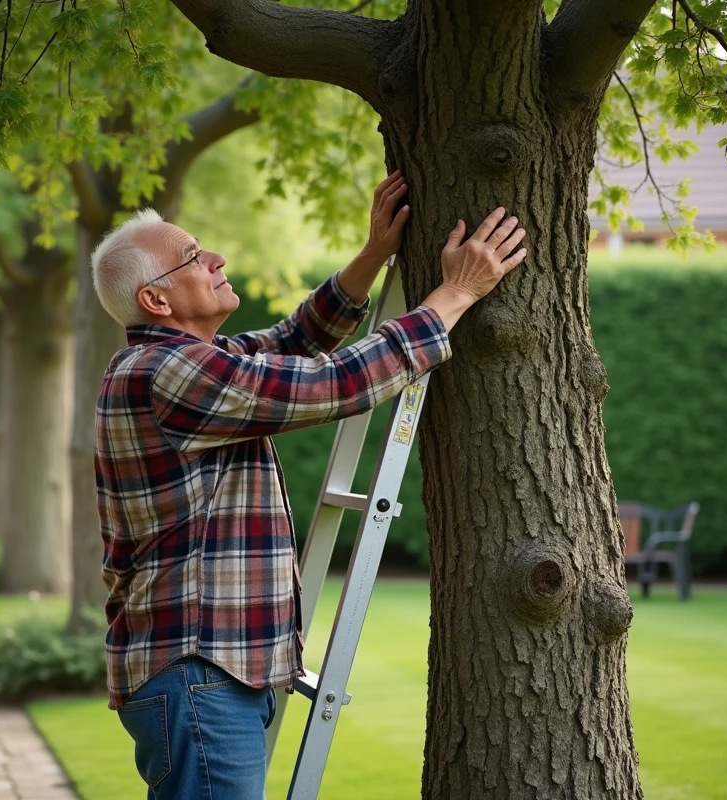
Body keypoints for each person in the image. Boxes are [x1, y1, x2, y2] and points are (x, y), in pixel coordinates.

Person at [91, 170, 527, 800]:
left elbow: (293, 343)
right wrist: (455, 295)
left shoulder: (181, 363)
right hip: (201, 673)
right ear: (157, 301)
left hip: (211, 672)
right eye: (192, 256)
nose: (215, 258)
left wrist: (375, 253)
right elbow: (331, 385)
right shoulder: (168, 373)